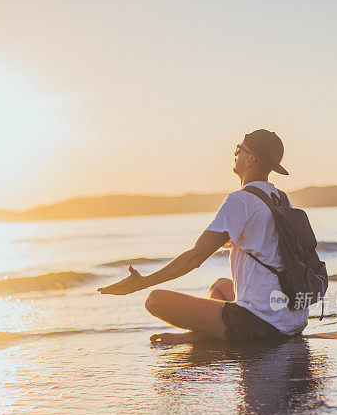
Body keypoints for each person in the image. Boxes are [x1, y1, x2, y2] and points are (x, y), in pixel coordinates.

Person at [98, 129, 310, 345]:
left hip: (262, 325)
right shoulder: (281, 199)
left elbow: (195, 257)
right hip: (293, 319)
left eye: (239, 150)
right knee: (219, 286)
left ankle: (202, 337)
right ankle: (204, 334)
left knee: (155, 300)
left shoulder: (241, 201)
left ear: (250, 159)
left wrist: (142, 282)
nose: (235, 154)